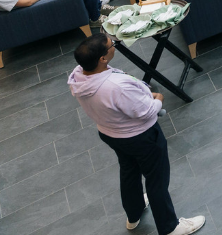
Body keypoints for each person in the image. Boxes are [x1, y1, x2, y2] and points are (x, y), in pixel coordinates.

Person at [67, 33, 204, 235]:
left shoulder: (79, 76)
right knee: (157, 180)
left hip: (110, 134)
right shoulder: (115, 87)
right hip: (141, 137)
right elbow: (145, 111)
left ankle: (134, 213)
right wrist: (158, 99)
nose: (113, 45)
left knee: (129, 171)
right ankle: (170, 227)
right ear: (102, 59)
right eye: (111, 45)